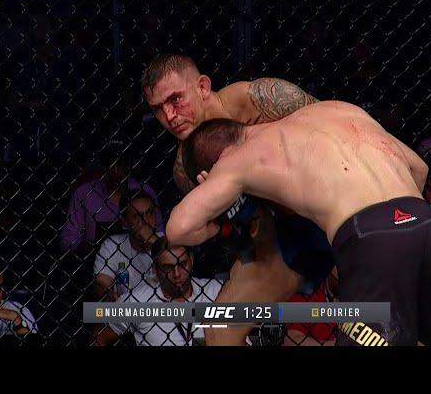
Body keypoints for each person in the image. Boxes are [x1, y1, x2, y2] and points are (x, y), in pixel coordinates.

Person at [167, 100, 431, 346]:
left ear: (216, 161)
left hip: (371, 239)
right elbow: (419, 168)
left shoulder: (235, 159)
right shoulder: (334, 109)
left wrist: (214, 221)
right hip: (427, 223)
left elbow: (178, 228)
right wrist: (403, 224)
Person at [142, 52, 335, 345]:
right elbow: (240, 238)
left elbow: (337, 132)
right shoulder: (185, 169)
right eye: (158, 109)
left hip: (334, 207)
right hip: (284, 235)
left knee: (378, 320)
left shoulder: (259, 99)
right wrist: (235, 211)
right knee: (220, 329)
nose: (169, 116)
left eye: (175, 99)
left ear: (203, 87)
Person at [92, 238, 222, 346]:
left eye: (182, 264)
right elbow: (98, 338)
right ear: (155, 268)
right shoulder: (137, 302)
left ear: (191, 261)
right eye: (168, 267)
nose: (177, 274)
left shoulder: (216, 291)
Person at [93, 192, 161, 301]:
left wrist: (155, 242)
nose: (146, 221)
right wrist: (108, 295)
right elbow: (101, 283)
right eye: (137, 216)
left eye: (150, 213)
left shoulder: (168, 241)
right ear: (124, 222)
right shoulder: (112, 245)